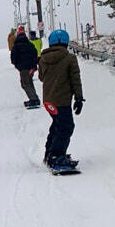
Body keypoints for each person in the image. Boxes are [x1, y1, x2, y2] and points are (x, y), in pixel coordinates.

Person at [38, 29, 84, 170]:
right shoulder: (69, 58)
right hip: (62, 100)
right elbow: (75, 79)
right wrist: (79, 98)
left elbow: (41, 77)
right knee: (66, 127)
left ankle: (50, 153)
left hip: (48, 100)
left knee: (57, 124)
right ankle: (56, 156)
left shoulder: (43, 59)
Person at [10, 26, 40, 108]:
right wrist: (34, 66)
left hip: (23, 68)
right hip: (31, 67)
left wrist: (17, 66)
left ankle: (33, 99)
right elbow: (35, 54)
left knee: (25, 84)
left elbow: (13, 57)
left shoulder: (16, 46)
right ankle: (35, 98)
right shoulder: (30, 44)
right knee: (30, 83)